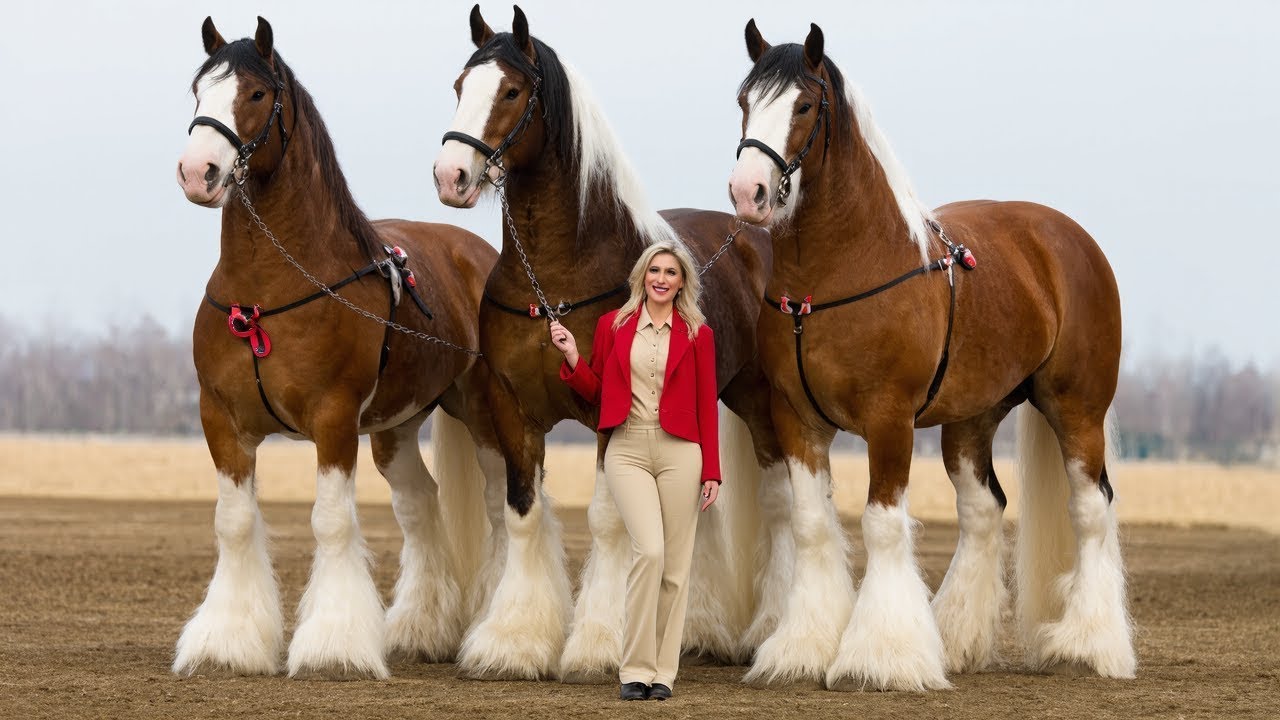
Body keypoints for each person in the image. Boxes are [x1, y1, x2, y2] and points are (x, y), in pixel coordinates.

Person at [549, 240, 720, 702]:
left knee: (676, 567)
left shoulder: (698, 334)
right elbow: (598, 390)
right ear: (642, 277)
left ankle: (664, 673)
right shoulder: (613, 325)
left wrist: (713, 472)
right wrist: (571, 356)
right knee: (649, 552)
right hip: (626, 449)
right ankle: (635, 669)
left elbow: (707, 404)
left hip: (682, 452)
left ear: (682, 281)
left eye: (670, 272)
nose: (661, 279)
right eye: (654, 271)